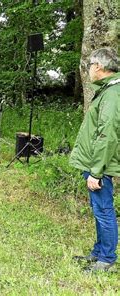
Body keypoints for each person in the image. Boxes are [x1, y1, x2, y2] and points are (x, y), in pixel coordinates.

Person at [70, 47, 120, 273]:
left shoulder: (112, 93)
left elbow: (107, 134)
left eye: (90, 65)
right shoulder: (108, 90)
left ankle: (107, 259)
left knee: (104, 210)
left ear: (98, 67)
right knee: (99, 208)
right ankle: (99, 252)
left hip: (100, 165)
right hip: (96, 163)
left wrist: (96, 172)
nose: (88, 70)